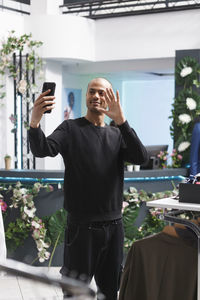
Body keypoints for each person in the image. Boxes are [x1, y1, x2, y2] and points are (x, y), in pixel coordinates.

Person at [28, 77, 147, 300]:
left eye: (102, 93)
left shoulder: (117, 133)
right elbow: (44, 149)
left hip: (114, 227)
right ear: (86, 96)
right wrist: (35, 123)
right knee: (75, 293)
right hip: (81, 229)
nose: (96, 96)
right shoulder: (70, 128)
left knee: (110, 292)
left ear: (111, 97)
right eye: (92, 92)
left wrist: (122, 121)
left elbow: (140, 156)